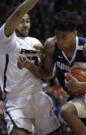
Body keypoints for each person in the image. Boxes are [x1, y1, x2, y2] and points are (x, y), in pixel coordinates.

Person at [19, 10, 86, 135]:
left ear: (75, 33)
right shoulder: (51, 45)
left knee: (66, 111)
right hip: (74, 97)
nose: (60, 41)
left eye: (64, 37)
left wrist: (85, 85)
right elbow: (48, 74)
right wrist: (30, 66)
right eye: (57, 36)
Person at [0, 0, 61, 135]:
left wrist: (32, 66)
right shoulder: (5, 39)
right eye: (21, 21)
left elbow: (47, 75)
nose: (26, 24)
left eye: (28, 21)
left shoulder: (34, 42)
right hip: (16, 99)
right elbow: (18, 13)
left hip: (39, 95)